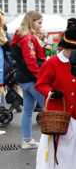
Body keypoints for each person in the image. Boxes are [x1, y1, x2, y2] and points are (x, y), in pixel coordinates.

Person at [35, 28, 76, 169]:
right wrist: (50, 92)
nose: (74, 53)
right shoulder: (53, 63)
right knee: (61, 156)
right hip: (59, 118)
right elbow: (41, 84)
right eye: (71, 49)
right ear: (65, 47)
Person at [10, 11, 46, 149]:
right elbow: (31, 61)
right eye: (39, 22)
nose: (40, 25)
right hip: (32, 79)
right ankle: (51, 141)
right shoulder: (28, 39)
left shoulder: (21, 36)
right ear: (32, 21)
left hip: (24, 79)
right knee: (49, 108)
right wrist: (41, 78)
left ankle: (27, 140)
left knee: (28, 110)